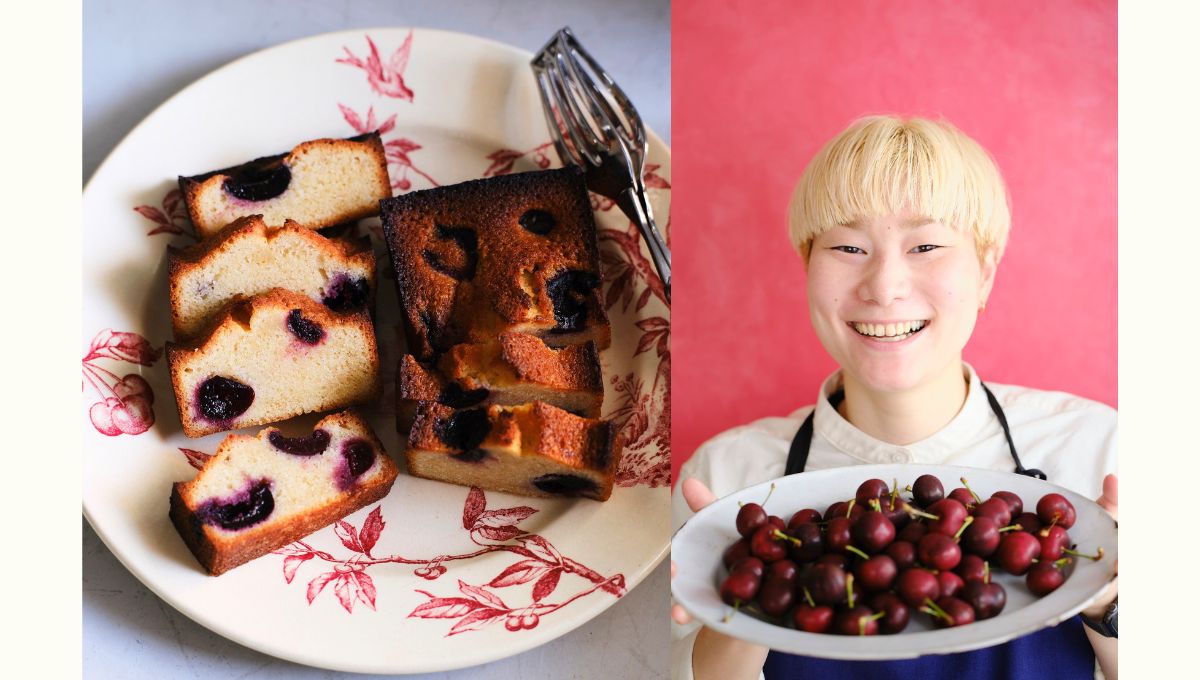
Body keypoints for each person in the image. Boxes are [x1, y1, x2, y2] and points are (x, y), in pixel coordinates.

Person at [670, 116, 1118, 680]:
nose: (884, 287)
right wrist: (748, 601)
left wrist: (1108, 601)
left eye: (926, 245)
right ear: (807, 267)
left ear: (984, 273)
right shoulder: (728, 479)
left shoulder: (1097, 454)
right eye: (848, 246)